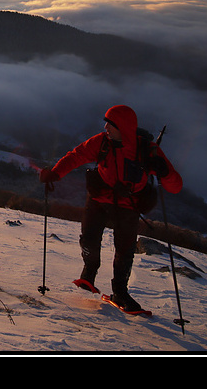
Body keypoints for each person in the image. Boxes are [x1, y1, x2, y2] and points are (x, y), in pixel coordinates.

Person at [39, 104, 182, 312]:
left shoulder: (147, 151)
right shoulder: (102, 142)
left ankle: (120, 292)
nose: (105, 127)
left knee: (125, 251)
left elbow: (176, 186)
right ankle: (89, 273)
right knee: (89, 238)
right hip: (99, 199)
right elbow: (76, 155)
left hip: (129, 206)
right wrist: (55, 173)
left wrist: (165, 172)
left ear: (123, 127)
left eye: (110, 124)